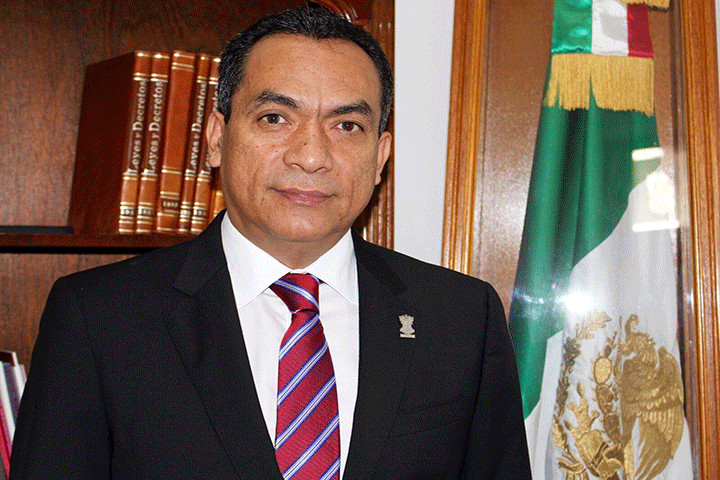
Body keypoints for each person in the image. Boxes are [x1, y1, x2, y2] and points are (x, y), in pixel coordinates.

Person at [10, 6, 531, 479]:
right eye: (275, 118)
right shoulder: (99, 317)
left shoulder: (462, 318)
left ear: (380, 157)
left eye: (347, 125)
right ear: (217, 138)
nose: (311, 156)